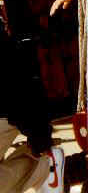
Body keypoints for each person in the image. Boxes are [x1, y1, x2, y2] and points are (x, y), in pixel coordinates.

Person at [0, 19, 64, 193]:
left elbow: (16, 83)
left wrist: (39, 135)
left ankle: (44, 165)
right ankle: (40, 165)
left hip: (12, 110)